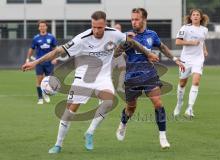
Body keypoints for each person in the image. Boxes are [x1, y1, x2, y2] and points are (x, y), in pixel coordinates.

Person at [22, 10, 159, 153]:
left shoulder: (114, 34)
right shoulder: (82, 38)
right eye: (93, 26)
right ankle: (58, 144)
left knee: (108, 102)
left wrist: (148, 53)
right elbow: (58, 51)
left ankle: (90, 132)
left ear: (105, 25)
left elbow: (132, 42)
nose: (96, 30)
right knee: (69, 112)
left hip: (103, 77)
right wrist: (35, 62)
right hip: (83, 77)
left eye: (99, 27)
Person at [115, 8, 185, 149]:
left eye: (137, 19)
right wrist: (123, 44)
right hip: (132, 77)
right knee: (131, 108)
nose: (134, 22)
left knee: (158, 103)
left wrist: (175, 59)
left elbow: (162, 47)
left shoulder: (152, 34)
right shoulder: (126, 36)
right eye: (132, 19)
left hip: (149, 75)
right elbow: (115, 53)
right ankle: (123, 123)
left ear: (144, 20)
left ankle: (163, 137)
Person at [173, 9, 209, 118]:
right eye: (194, 15)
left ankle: (190, 108)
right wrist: (191, 42)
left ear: (201, 17)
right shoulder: (185, 28)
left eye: (198, 15)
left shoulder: (204, 30)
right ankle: (179, 104)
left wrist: (204, 49)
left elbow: (202, 41)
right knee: (182, 83)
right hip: (186, 59)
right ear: (191, 17)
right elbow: (178, 42)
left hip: (198, 59)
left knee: (196, 82)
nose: (196, 16)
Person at [25, 20, 57, 104]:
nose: (42, 27)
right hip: (39, 62)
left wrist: (54, 58)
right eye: (40, 26)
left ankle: (45, 93)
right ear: (39, 28)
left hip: (49, 62)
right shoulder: (36, 38)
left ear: (46, 27)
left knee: (48, 81)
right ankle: (40, 99)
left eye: (44, 26)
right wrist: (28, 59)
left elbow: (55, 50)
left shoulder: (51, 37)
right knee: (39, 80)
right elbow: (31, 49)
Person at [112, 23, 126, 92]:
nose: (118, 29)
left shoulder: (123, 37)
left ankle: (120, 87)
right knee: (108, 73)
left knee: (123, 70)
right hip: (111, 57)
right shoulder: (110, 36)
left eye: (119, 28)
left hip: (120, 56)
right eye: (116, 28)